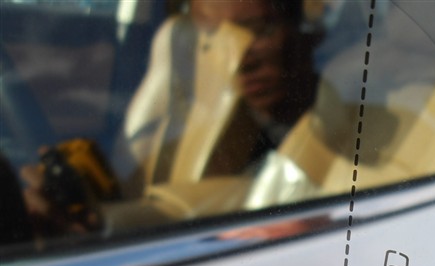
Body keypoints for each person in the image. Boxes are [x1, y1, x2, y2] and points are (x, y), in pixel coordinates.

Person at [21, 0, 317, 237]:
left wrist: (103, 222)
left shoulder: (327, 131)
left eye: (258, 31)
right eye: (213, 36)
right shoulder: (200, 106)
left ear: (302, 31)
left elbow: (272, 196)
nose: (239, 57)